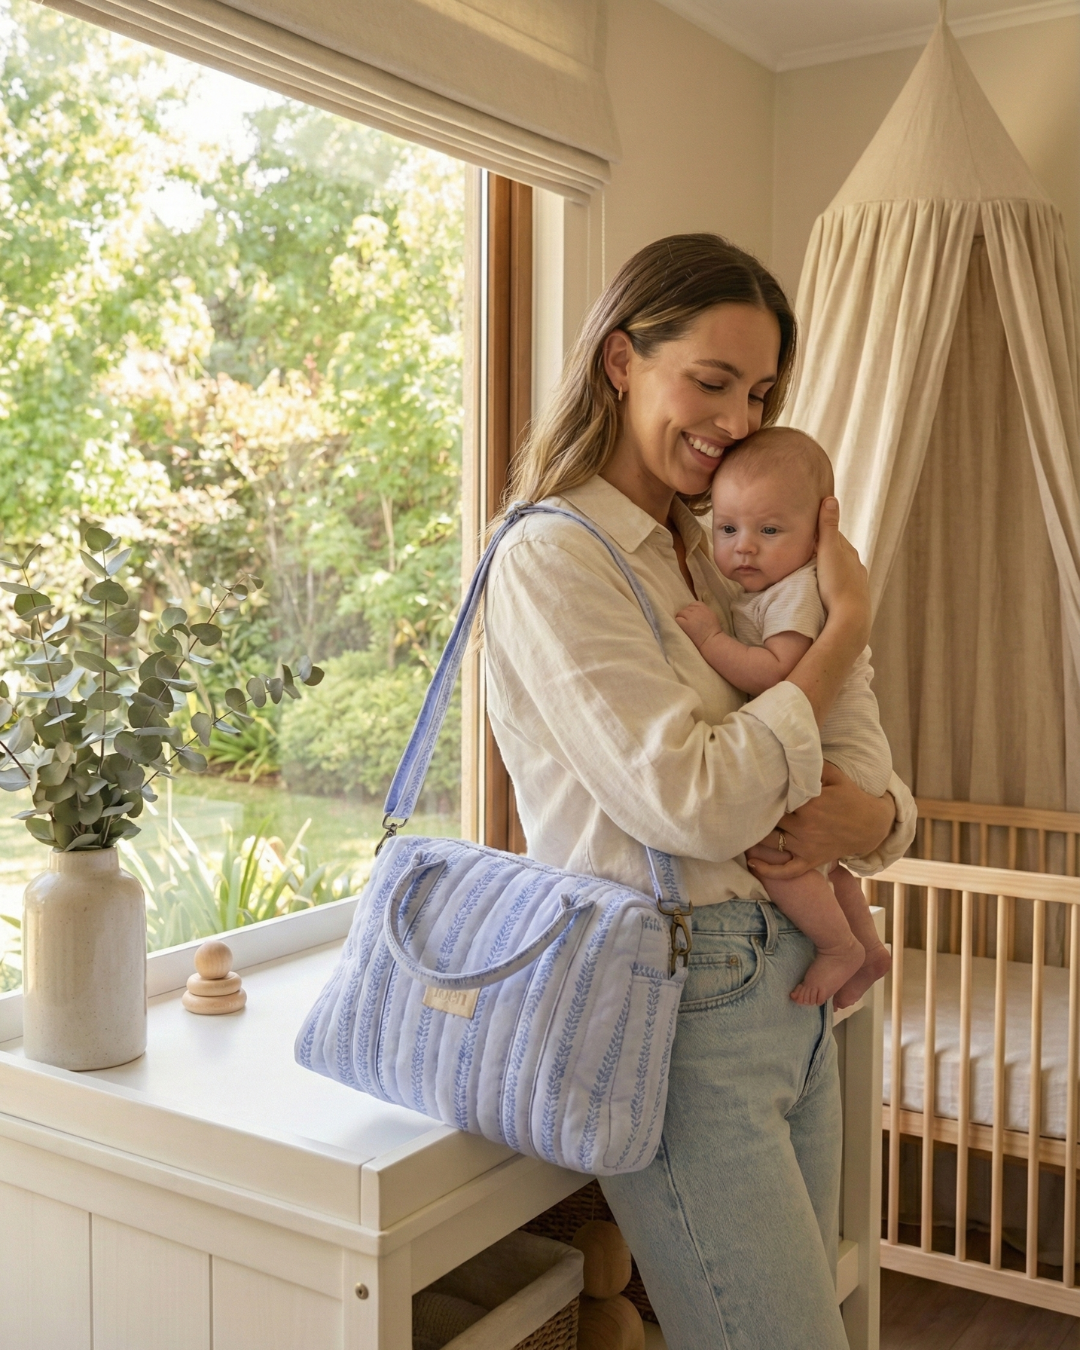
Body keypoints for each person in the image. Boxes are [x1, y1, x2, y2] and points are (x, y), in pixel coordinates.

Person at [483, 233, 916, 1349]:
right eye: (710, 380)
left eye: (760, 390)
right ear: (623, 361)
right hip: (682, 998)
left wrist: (881, 821)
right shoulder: (556, 555)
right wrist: (848, 628)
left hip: (786, 984)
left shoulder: (707, 549)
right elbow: (693, 801)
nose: (736, 416)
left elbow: (841, 763)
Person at [675, 426, 894, 1009]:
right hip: (851, 756)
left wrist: (711, 640)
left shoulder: (796, 592)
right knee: (819, 860)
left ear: (819, 537)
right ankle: (867, 947)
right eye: (728, 529)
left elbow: (779, 677)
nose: (744, 547)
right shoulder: (771, 587)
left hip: (842, 755)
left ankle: (837, 947)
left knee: (777, 858)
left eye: (769, 531)